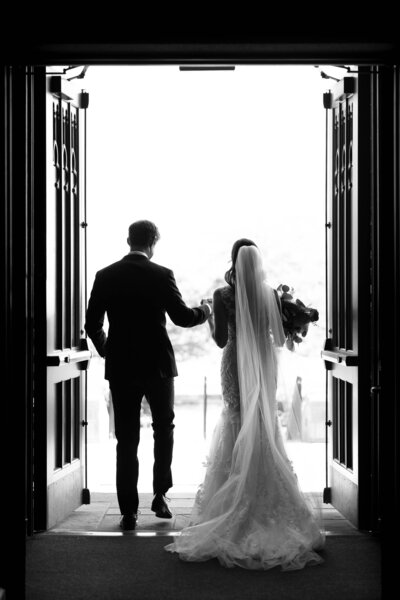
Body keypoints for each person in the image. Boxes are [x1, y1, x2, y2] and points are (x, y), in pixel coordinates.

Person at [165, 239, 325, 570]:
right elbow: (279, 339)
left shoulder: (224, 295)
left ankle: (231, 501)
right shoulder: (271, 295)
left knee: (235, 417)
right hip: (265, 365)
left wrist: (210, 318)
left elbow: (222, 339)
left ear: (234, 262)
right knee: (263, 421)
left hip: (234, 363)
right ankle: (271, 500)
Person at [85, 220, 212, 530]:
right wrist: (206, 311)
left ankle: (129, 512)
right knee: (163, 429)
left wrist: (108, 351)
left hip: (122, 368)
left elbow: (93, 325)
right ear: (154, 242)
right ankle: (160, 496)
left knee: (126, 439)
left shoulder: (106, 275)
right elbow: (182, 318)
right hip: (158, 366)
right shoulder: (161, 274)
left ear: (128, 240)